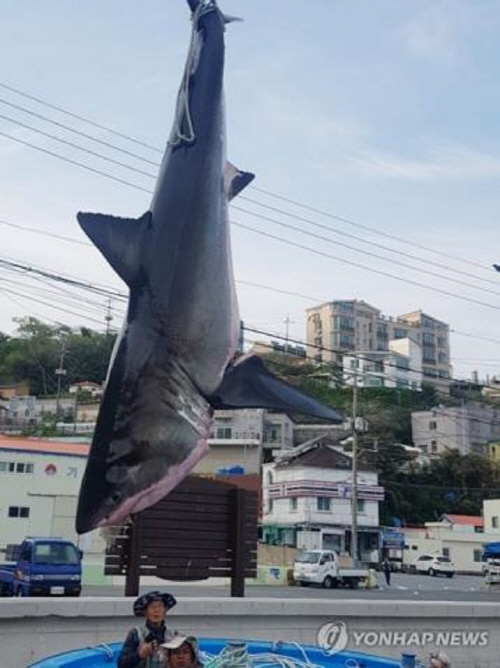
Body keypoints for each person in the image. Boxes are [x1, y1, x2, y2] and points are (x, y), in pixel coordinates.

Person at [117, 590, 177, 668]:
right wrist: (139, 655)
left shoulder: (173, 635)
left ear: (165, 611)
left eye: (160, 606)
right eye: (152, 607)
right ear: (145, 612)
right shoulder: (136, 633)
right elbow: (121, 664)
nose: (156, 610)